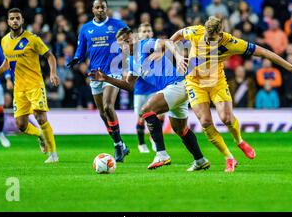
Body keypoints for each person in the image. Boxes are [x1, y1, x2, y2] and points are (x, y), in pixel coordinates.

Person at [169, 16, 292, 172]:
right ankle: (229, 158)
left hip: (217, 83)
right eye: (206, 38)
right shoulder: (196, 31)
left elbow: (264, 52)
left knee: (226, 118)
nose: (208, 41)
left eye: (211, 39)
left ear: (220, 33)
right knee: (206, 122)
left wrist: (289, 67)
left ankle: (239, 141)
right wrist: (178, 55)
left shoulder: (232, 43)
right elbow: (173, 39)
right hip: (194, 83)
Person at [89, 27, 210, 171]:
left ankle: (161, 154)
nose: (126, 44)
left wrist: (178, 58)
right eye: (122, 42)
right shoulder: (131, 61)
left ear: (134, 38)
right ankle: (200, 160)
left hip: (177, 84)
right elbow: (129, 85)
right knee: (180, 129)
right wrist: (106, 78)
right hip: (175, 88)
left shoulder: (144, 45)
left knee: (146, 110)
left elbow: (168, 42)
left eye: (128, 39)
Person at [0, 8, 60, 163]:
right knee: (21, 125)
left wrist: (53, 73)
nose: (15, 21)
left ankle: (53, 154)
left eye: (17, 18)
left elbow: (50, 56)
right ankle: (41, 135)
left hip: (35, 85)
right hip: (19, 88)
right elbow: (9, 61)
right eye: (12, 18)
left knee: (40, 117)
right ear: (8, 22)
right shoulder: (4, 41)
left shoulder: (32, 39)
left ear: (22, 21)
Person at [68, 0, 130, 162]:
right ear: (93, 9)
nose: (100, 10)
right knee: (103, 113)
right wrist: (76, 59)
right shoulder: (86, 28)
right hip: (95, 74)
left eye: (103, 7)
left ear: (107, 9)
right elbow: (81, 50)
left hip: (112, 72)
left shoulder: (118, 25)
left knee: (109, 106)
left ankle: (117, 146)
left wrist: (127, 60)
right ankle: (121, 144)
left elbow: (131, 41)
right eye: (97, 7)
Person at [133, 23, 161, 153]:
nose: (146, 33)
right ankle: (141, 143)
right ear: (139, 34)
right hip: (140, 90)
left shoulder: (157, 50)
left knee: (159, 115)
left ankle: (154, 139)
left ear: (152, 33)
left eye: (149, 31)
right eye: (143, 31)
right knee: (141, 117)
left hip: (154, 88)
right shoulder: (134, 51)